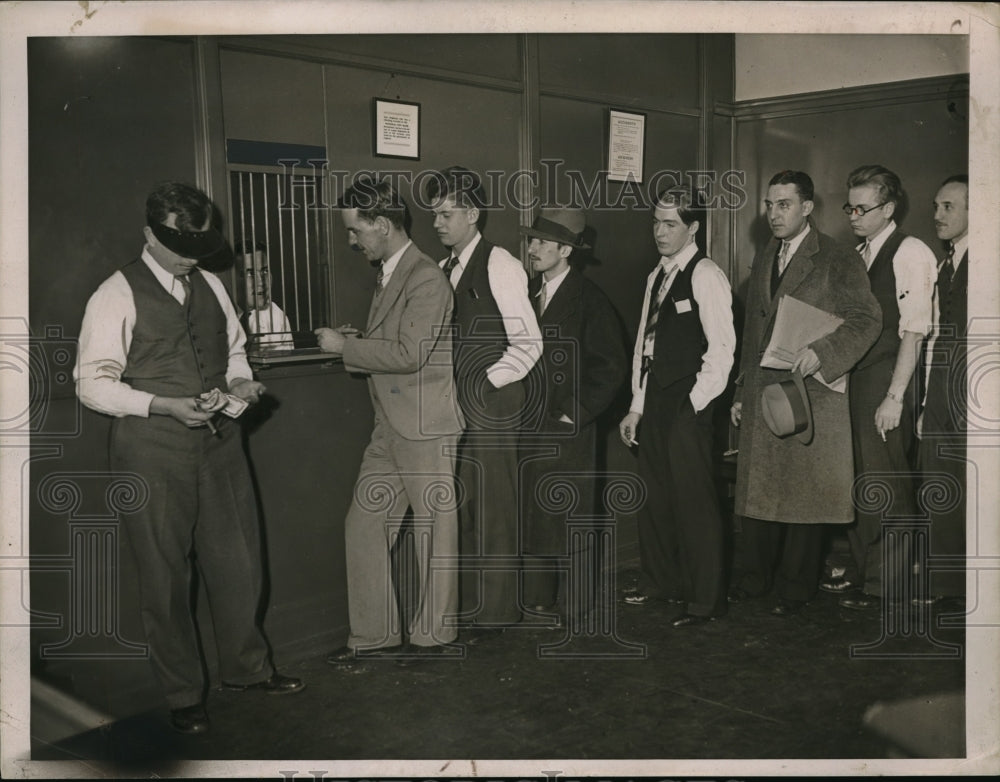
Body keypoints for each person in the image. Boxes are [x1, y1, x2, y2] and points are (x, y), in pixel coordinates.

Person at [74, 182, 304, 736]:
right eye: (178, 245)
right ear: (148, 234)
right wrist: (162, 405)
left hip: (221, 446)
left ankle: (247, 670)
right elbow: (90, 383)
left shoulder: (211, 285)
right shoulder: (114, 293)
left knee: (239, 563)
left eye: (198, 246)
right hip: (151, 451)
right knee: (164, 576)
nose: (190, 258)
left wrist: (242, 384)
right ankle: (182, 694)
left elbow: (234, 352)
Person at [316, 177, 464, 667]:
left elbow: (409, 352)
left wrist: (345, 348)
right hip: (391, 426)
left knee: (433, 533)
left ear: (382, 225)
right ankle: (375, 634)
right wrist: (359, 339)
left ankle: (433, 636)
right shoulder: (391, 272)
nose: (351, 241)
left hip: (425, 426)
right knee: (364, 525)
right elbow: (398, 341)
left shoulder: (425, 277)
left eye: (356, 231)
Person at [728, 170, 881, 616]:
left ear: (807, 208)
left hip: (811, 393)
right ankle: (756, 581)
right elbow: (752, 330)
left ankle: (797, 589)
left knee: (806, 498)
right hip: (763, 394)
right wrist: (740, 389)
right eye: (770, 205)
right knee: (759, 494)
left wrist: (824, 352)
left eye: (784, 205)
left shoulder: (836, 258)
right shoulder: (765, 257)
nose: (774, 214)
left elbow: (867, 320)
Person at [424, 165, 543, 642]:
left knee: (496, 505)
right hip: (456, 404)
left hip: (492, 403)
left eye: (447, 214)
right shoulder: (440, 269)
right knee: (466, 502)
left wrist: (484, 382)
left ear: (473, 214)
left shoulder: (500, 264)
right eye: (434, 214)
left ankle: (498, 612)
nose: (437, 223)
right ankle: (472, 605)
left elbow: (528, 342)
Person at [618, 187, 736, 627]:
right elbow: (644, 349)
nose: (660, 232)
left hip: (689, 402)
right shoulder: (656, 275)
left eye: (670, 224)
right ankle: (662, 583)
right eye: (656, 222)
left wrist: (693, 404)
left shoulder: (706, 274)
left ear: (693, 228)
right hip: (655, 402)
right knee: (656, 498)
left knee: (694, 503)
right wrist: (637, 406)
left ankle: (705, 600)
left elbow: (722, 351)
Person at [826, 165, 936, 610]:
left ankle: (887, 584)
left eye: (862, 208)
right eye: (849, 206)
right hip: (857, 380)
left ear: (888, 208)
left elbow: (914, 331)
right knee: (860, 482)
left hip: (889, 379)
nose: (853, 215)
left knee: (888, 483)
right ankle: (866, 572)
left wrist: (894, 397)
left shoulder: (910, 252)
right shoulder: (861, 252)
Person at [519, 207, 627, 624]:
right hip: (530, 423)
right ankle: (540, 599)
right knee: (537, 513)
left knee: (572, 516)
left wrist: (573, 414)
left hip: (567, 428)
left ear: (566, 250)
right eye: (532, 240)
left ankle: (578, 605)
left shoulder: (589, 299)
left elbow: (610, 368)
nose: (533, 248)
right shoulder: (527, 293)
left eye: (543, 242)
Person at [916, 174, 969, 605]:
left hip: (977, 390)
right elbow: (932, 334)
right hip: (939, 389)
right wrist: (924, 403)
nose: (938, 215)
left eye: (948, 206)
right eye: (936, 206)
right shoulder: (942, 264)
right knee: (940, 479)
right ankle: (946, 585)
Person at [235, 240, 293, 349]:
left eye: (265, 271)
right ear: (233, 278)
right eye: (250, 273)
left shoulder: (277, 316)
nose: (261, 282)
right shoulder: (218, 314)